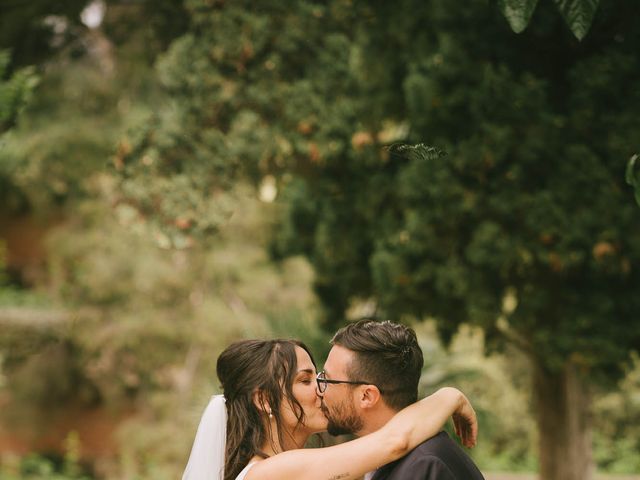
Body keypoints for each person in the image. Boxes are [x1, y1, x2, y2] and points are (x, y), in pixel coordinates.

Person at [182, 338, 478, 480]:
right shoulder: (269, 473)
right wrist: (450, 397)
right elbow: (394, 441)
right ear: (264, 401)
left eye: (319, 377)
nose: (320, 389)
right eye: (305, 380)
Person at [320, 320, 485, 480]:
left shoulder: (426, 467)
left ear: (366, 396)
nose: (319, 391)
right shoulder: (394, 462)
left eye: (326, 380)